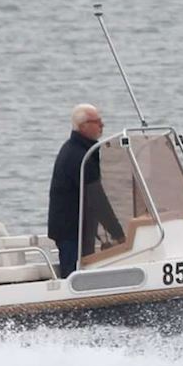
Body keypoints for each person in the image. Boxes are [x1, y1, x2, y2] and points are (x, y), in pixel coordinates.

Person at [47, 104, 124, 277]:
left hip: (80, 228)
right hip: (71, 231)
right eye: (97, 122)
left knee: (81, 272)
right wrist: (118, 234)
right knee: (74, 276)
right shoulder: (79, 156)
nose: (102, 125)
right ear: (83, 126)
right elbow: (97, 199)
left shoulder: (82, 150)